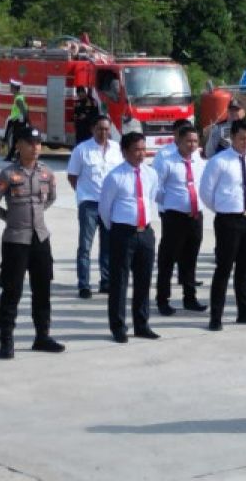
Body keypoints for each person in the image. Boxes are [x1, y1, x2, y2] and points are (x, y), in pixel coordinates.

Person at [0, 126, 63, 359]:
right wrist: (9, 217)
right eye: (30, 143)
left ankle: (42, 335)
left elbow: (50, 199)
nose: (35, 147)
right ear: (18, 146)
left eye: (38, 143)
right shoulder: (8, 175)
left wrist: (36, 214)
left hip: (40, 238)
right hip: (15, 240)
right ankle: (6, 339)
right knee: (12, 290)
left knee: (42, 289)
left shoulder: (47, 173)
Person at [200, 121, 246, 331]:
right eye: (242, 139)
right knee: (223, 269)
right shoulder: (219, 162)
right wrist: (224, 209)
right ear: (232, 137)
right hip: (228, 220)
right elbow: (206, 193)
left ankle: (245, 311)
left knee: (244, 269)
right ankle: (216, 316)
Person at [98, 132, 161, 343]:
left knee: (143, 281)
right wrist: (119, 229)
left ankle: (142, 324)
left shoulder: (150, 174)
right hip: (123, 233)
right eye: (136, 150)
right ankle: (118, 327)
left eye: (144, 149)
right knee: (119, 282)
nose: (141, 154)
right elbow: (105, 210)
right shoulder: (115, 177)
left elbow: (150, 198)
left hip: (146, 233)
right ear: (124, 152)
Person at [153, 124, 208, 315]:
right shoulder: (168, 161)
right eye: (188, 141)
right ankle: (162, 299)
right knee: (167, 260)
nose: (192, 145)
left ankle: (189, 297)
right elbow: (156, 189)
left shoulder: (200, 162)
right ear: (179, 141)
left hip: (195, 217)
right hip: (175, 217)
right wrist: (172, 203)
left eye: (195, 141)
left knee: (190, 259)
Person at [66, 115, 122, 298]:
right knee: (85, 246)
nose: (103, 132)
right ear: (92, 129)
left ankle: (105, 281)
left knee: (107, 246)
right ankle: (84, 284)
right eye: (100, 129)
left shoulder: (116, 149)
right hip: (89, 203)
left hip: (110, 204)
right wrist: (83, 193)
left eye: (106, 129)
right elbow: (72, 176)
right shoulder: (82, 150)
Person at [3, 79, 30, 161]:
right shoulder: (18, 97)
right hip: (16, 121)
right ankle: (10, 156)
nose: (10, 89)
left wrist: (27, 121)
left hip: (19, 121)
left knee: (18, 139)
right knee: (15, 139)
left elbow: (24, 111)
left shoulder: (18, 99)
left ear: (15, 88)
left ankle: (17, 156)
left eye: (11, 87)